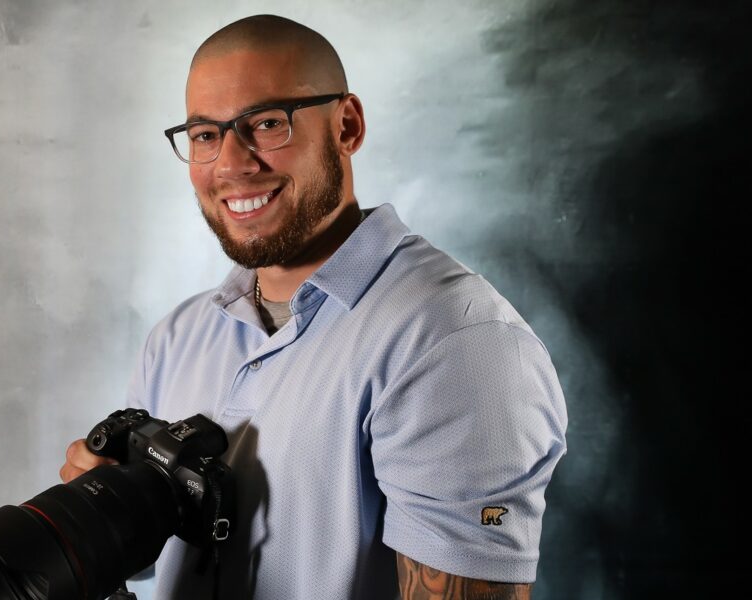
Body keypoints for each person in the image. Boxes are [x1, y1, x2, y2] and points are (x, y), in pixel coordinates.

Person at [61, 14, 567, 600]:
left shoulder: (452, 342)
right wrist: (105, 519)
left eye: (267, 123)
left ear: (347, 126)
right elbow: (151, 563)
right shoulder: (178, 336)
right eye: (204, 135)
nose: (231, 164)